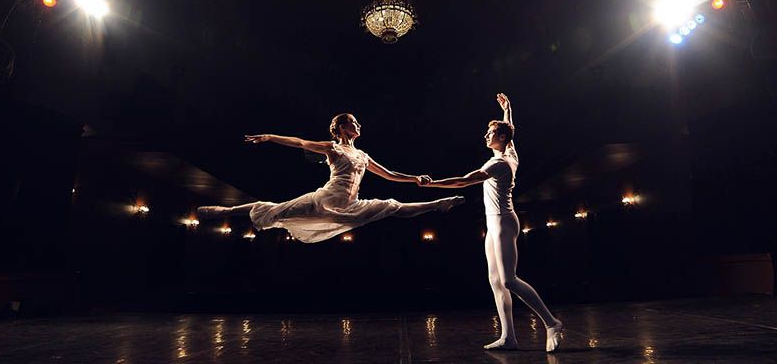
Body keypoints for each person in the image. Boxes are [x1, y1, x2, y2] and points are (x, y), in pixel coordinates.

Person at [420, 93, 564, 352]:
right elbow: (512, 133)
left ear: (500, 138)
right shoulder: (510, 150)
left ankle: (552, 323)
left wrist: (433, 184)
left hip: (503, 224)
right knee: (495, 281)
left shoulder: (500, 163)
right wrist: (508, 111)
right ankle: (509, 337)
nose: (485, 137)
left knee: (509, 280)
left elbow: (464, 180)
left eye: (490, 133)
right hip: (495, 224)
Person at [198, 113, 464, 243]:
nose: (359, 126)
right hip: (324, 200)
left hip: (351, 204)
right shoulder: (333, 147)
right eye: (354, 123)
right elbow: (300, 141)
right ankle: (226, 210)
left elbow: (389, 174)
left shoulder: (363, 155)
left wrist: (415, 178)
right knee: (273, 211)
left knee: (391, 207)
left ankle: (439, 204)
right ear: (341, 127)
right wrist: (269, 137)